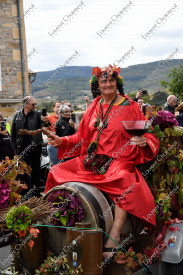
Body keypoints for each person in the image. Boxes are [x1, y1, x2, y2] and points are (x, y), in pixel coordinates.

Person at [44, 65, 159, 258]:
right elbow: (80, 137)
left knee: (124, 178)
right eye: (103, 81)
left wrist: (144, 140)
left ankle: (114, 233)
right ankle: (53, 222)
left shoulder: (129, 106)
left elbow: (148, 133)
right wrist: (62, 140)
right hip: (91, 160)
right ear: (97, 85)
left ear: (117, 83)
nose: (108, 84)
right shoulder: (94, 106)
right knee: (55, 171)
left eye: (111, 80)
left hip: (118, 160)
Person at [11, 96, 49, 197]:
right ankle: (25, 194)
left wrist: (46, 121)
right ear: (26, 105)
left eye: (35, 104)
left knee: (36, 171)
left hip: (35, 147)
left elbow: (46, 126)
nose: (35, 106)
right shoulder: (17, 116)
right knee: (23, 172)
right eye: (33, 104)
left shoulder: (37, 114)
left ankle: (36, 194)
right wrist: (14, 149)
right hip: (22, 149)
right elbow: (13, 134)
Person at [46, 101, 62, 166]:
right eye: (57, 107)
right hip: (53, 146)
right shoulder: (49, 118)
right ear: (54, 108)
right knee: (54, 166)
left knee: (64, 166)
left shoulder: (65, 118)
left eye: (61, 106)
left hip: (63, 145)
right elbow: (45, 131)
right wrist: (56, 134)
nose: (59, 108)